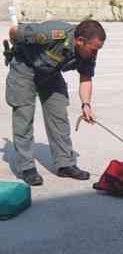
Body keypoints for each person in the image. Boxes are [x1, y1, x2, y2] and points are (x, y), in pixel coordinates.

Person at [5, 20, 106, 186]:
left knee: (59, 116)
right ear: (80, 41)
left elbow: (86, 78)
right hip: (24, 68)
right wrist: (17, 46)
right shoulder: (50, 34)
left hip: (50, 73)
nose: (96, 53)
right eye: (94, 49)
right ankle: (27, 167)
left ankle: (65, 164)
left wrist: (86, 105)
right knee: (24, 117)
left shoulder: (88, 52)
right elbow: (15, 31)